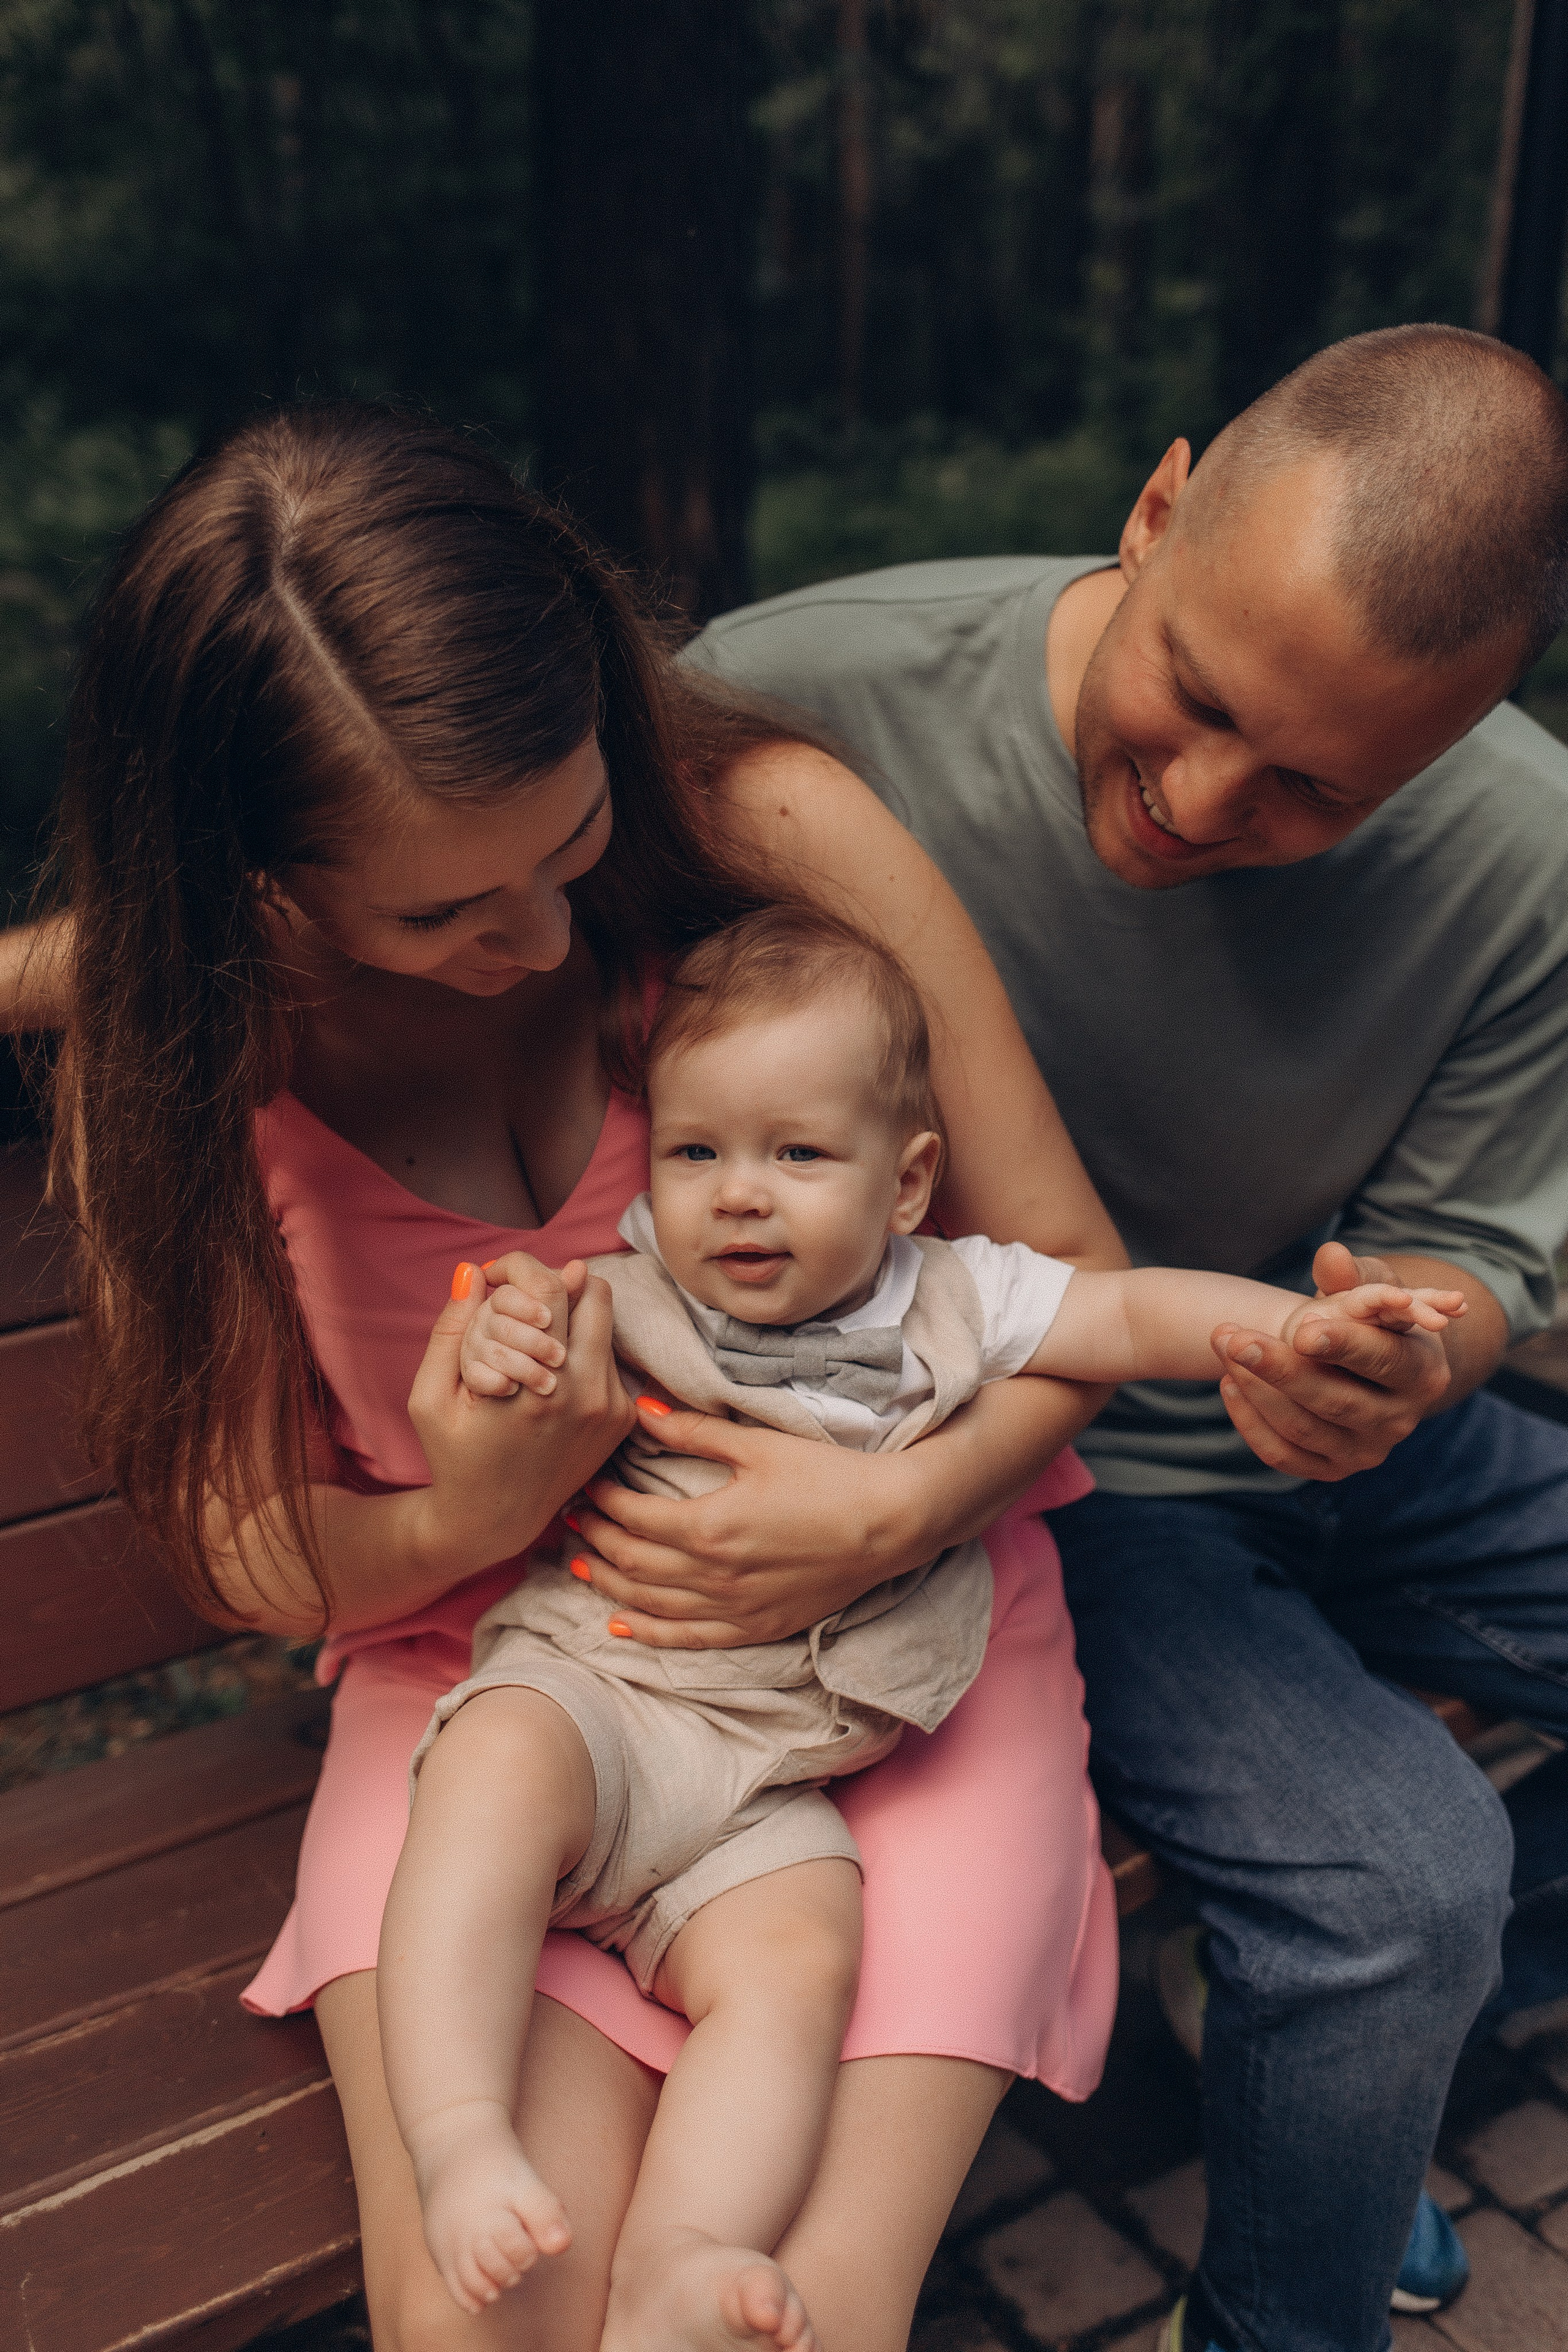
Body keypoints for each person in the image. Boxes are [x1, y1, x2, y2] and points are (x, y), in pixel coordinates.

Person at [0, 401, 1142, 2352]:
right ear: (253, 882)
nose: (535, 939)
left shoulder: (768, 833)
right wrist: (475, 1505)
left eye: (569, 841)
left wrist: (888, 1504)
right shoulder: (186, 1047)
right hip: (496, 1686)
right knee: (491, 2318)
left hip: (888, 1657)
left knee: (788, 2317)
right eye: (442, 911)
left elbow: (1073, 1275)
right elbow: (247, 1552)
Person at [673, 322, 1568, 2352]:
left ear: (1451, 746)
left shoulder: (1527, 852)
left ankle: (1337, 2063)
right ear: (1156, 512)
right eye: (1202, 698)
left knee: (1393, 1945)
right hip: (1047, 1471)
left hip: (1345, 1427)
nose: (1200, 797)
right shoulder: (804, 694)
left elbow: (1464, 1257)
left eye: (1318, 787)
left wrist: (1407, 1351)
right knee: (1401, 1882)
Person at [383, 899, 1459, 2346]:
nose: (737, 1196)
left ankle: (685, 2253)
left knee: (796, 1969)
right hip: (604, 1695)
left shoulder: (961, 1299)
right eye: (695, 1152)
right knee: (487, 1770)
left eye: (796, 1154)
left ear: (905, 1185)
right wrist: (507, 1339)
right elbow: (513, 1352)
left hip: (777, 1783)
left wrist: (1279, 1330)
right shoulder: (621, 1295)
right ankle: (459, 2137)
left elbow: (1127, 1316)